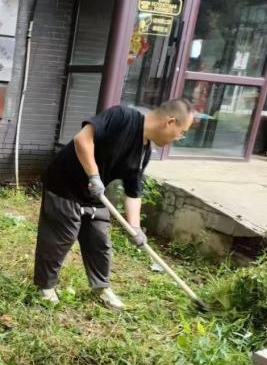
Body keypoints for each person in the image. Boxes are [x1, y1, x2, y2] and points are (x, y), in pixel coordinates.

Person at [34, 99, 194, 310]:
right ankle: (45, 287)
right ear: (170, 122)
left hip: (94, 196)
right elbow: (82, 139)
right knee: (60, 239)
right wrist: (93, 175)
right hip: (64, 184)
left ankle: (101, 287)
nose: (178, 138)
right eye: (181, 132)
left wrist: (135, 227)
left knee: (100, 241)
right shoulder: (122, 117)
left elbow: (133, 192)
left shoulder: (143, 153)